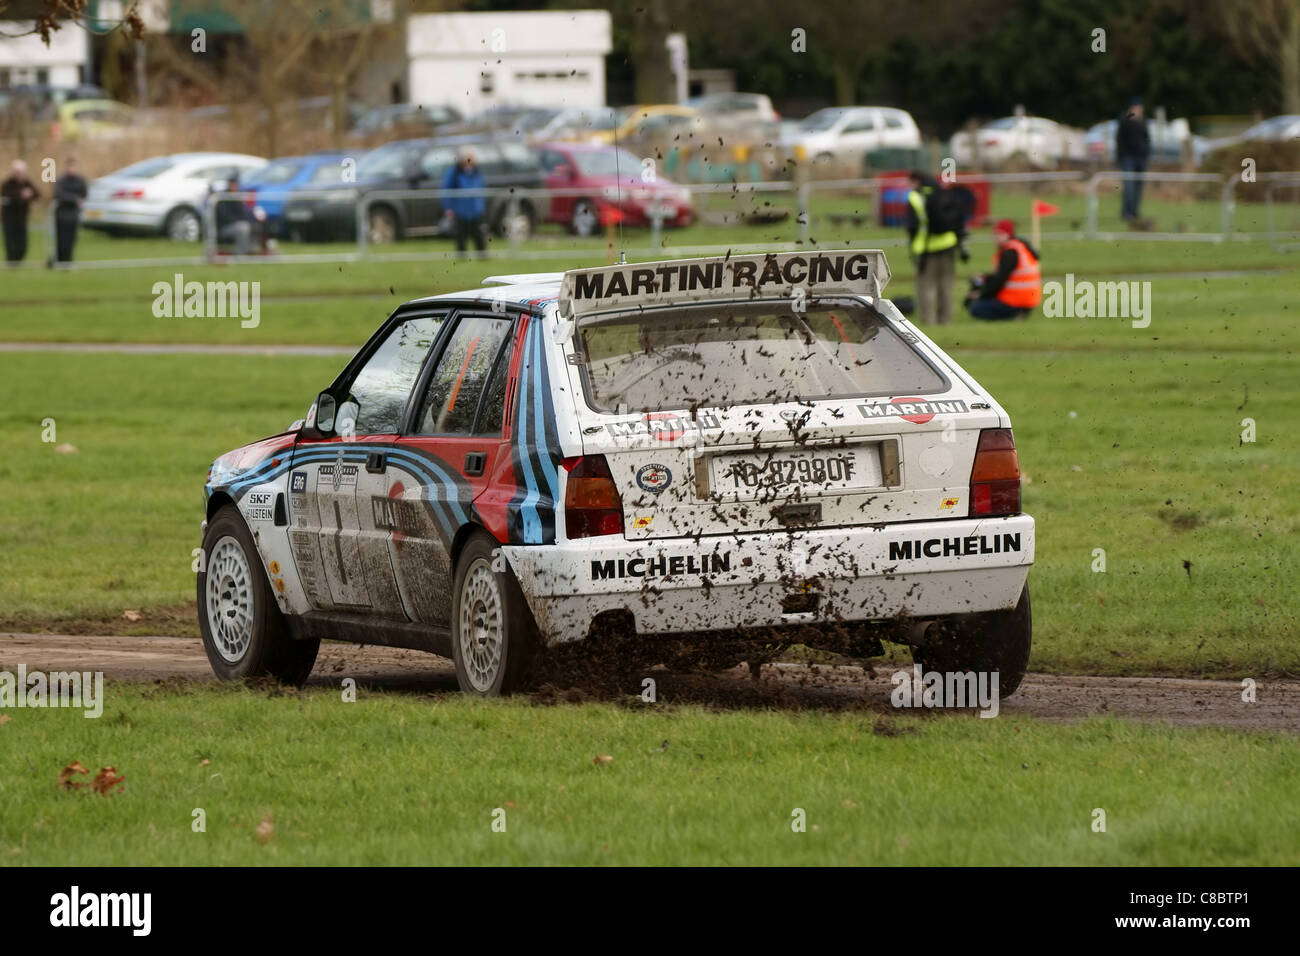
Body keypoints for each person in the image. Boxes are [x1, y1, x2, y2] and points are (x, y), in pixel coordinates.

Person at [905, 170, 961, 326]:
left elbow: (913, 226)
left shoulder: (915, 197)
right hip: (948, 246)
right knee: (946, 287)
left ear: (915, 181)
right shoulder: (943, 192)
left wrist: (913, 244)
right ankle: (946, 321)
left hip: (926, 248)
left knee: (927, 287)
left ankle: (929, 321)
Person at [964, 219, 1041, 320]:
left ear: (1008, 234)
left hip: (1016, 300)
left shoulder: (1009, 253)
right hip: (1027, 299)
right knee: (980, 282)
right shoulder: (1019, 247)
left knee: (976, 308)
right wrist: (985, 277)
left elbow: (1000, 280)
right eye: (994, 234)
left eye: (999, 234)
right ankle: (1018, 314)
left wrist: (981, 294)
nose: (995, 238)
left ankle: (1014, 316)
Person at [442, 146, 487, 257]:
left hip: (475, 210)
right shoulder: (454, 172)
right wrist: (448, 207)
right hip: (460, 210)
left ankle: (482, 254)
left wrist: (481, 205)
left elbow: (481, 187)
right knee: (461, 234)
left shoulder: (477, 171)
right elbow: (446, 190)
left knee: (478, 233)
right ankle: (461, 255)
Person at [1116, 97, 1151, 224]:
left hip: (1141, 158)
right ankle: (1127, 212)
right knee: (1129, 187)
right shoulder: (1126, 120)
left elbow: (1147, 139)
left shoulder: (1143, 120)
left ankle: (1135, 212)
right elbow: (1119, 139)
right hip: (1128, 158)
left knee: (1138, 187)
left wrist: (1146, 155)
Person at [1, 159, 39, 265]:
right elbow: (6, 195)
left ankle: (18, 261)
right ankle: (11, 261)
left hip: (22, 218)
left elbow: (37, 193)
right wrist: (21, 195)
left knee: (22, 243)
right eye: (17, 171)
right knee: (10, 242)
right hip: (9, 218)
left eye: (21, 172)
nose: (19, 174)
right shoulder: (7, 184)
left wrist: (30, 194)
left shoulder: (27, 183)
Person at [52, 156, 88, 263]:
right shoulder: (61, 180)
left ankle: (68, 259)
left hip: (74, 214)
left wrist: (79, 199)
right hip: (62, 214)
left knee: (72, 239)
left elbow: (84, 193)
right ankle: (60, 260)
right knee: (62, 238)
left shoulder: (81, 180)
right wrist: (74, 198)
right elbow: (58, 194)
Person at [212, 176, 254, 255]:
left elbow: (244, 213)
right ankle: (240, 254)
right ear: (229, 185)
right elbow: (224, 217)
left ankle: (253, 251)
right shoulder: (223, 198)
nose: (235, 187)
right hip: (224, 228)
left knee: (253, 225)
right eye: (233, 184)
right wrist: (239, 220)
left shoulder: (238, 197)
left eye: (236, 185)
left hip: (238, 224)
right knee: (243, 227)